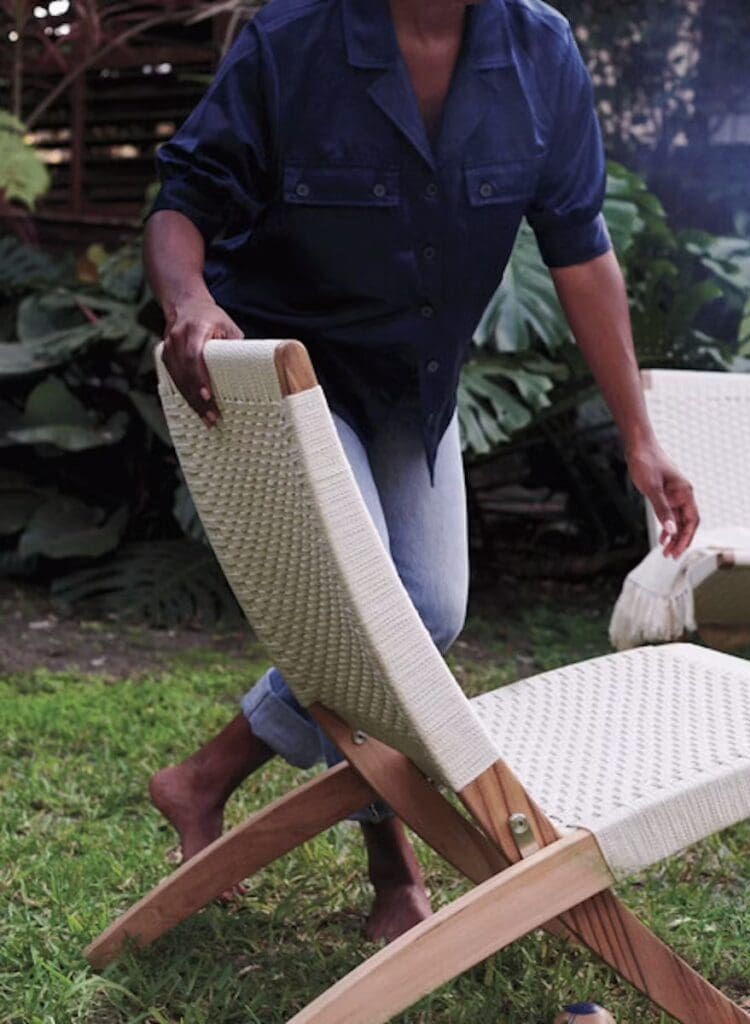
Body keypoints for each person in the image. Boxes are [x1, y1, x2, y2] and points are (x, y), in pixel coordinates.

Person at [147, 0, 700, 943]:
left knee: (430, 611)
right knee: (375, 623)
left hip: (412, 386)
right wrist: (192, 304)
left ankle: (205, 776)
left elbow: (579, 247)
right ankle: (393, 866)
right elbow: (181, 205)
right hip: (282, 374)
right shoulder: (295, 38)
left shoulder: (541, 50)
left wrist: (640, 436)